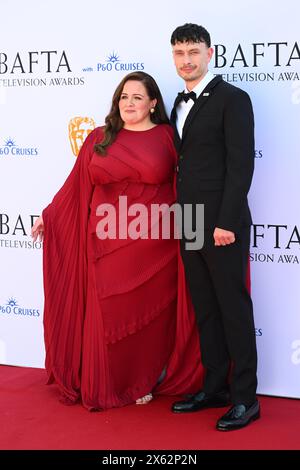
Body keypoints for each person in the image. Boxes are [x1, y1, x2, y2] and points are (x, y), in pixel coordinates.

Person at [31, 71, 203, 411]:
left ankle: (139, 379)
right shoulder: (99, 137)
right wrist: (48, 215)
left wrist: (200, 228)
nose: (129, 103)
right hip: (105, 244)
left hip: (154, 244)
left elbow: (186, 185)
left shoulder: (169, 137)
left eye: (137, 97)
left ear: (153, 103)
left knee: (146, 318)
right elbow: (75, 185)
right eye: (124, 97)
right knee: (109, 315)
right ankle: (109, 380)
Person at [169, 23, 260, 431]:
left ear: (210, 53)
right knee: (205, 308)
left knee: (233, 309)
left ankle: (246, 399)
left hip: (222, 222)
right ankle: (215, 387)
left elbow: (241, 165)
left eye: (193, 51)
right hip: (188, 220)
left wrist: (226, 221)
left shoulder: (233, 99)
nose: (186, 60)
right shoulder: (176, 102)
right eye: (179, 52)